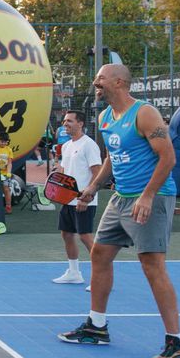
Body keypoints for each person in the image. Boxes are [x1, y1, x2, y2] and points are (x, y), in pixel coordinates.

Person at [58, 63, 180, 358]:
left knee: (152, 265)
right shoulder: (105, 117)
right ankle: (96, 326)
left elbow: (167, 157)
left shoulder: (144, 114)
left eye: (101, 79)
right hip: (121, 198)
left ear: (119, 82)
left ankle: (177, 343)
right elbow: (110, 158)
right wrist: (92, 186)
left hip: (151, 198)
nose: (96, 84)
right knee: (100, 254)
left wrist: (148, 195)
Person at [52, 110, 102, 286]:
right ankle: (74, 273)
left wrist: (86, 197)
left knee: (85, 236)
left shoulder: (89, 145)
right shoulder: (66, 146)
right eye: (64, 121)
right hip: (68, 199)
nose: (65, 124)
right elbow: (64, 173)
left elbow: (97, 173)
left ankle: (100, 277)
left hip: (84, 200)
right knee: (66, 234)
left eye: (69, 121)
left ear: (80, 124)